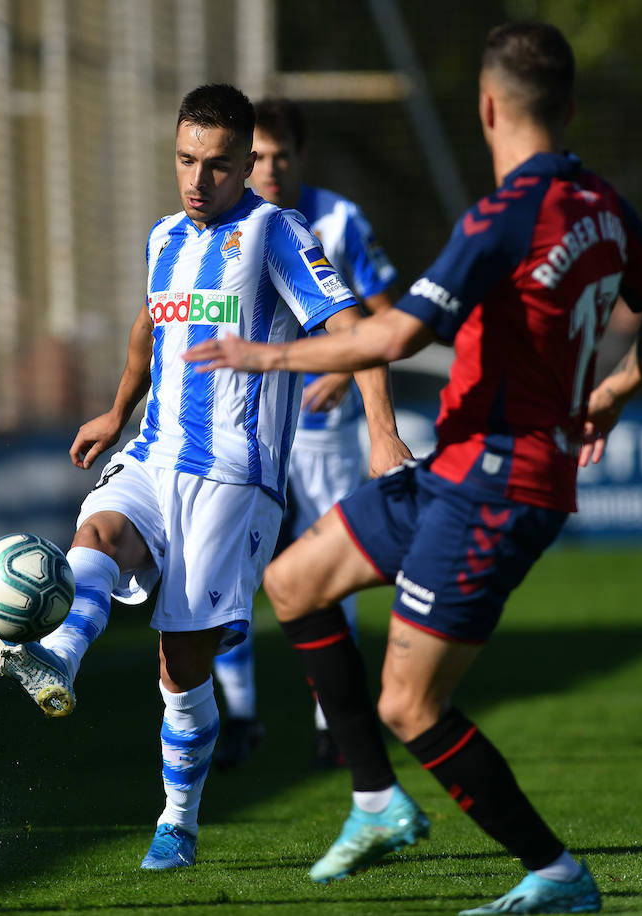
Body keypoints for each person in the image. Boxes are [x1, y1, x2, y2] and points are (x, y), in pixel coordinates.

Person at [184, 23, 642, 914]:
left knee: (409, 705)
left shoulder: (504, 218)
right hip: (458, 468)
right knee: (296, 581)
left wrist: (260, 356)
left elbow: (392, 333)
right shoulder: (604, 206)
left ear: (487, 107)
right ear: (567, 110)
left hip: (498, 486)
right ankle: (377, 804)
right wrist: (618, 388)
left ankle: (555, 873)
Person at [0, 83, 409, 871]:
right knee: (96, 533)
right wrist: (116, 411)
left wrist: (382, 433)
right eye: (184, 160)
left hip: (234, 481)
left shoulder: (277, 233)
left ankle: (178, 820)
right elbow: (150, 324)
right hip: (152, 452)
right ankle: (58, 658)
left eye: (214, 166)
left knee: (182, 670)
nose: (196, 180)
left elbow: (359, 331)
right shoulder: (164, 236)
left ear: (246, 164)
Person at [211, 97, 400, 770]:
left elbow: (385, 318)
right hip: (248, 428)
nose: (266, 168)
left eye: (278, 154)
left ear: (300, 155)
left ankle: (331, 725)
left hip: (322, 434)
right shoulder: (224, 223)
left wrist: (347, 374)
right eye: (254, 156)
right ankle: (236, 717)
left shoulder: (340, 220)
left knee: (329, 576)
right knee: (225, 572)